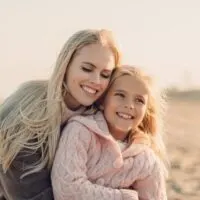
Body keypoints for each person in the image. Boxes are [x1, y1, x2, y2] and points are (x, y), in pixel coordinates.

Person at [0, 29, 121, 200]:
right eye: (87, 68)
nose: (96, 81)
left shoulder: (97, 116)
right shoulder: (28, 110)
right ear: (66, 65)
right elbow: (27, 193)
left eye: (105, 75)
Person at [51, 65, 168, 200]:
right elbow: (67, 190)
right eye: (120, 95)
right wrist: (124, 197)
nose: (129, 105)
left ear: (146, 111)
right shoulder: (79, 131)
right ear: (102, 101)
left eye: (139, 100)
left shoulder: (146, 160)